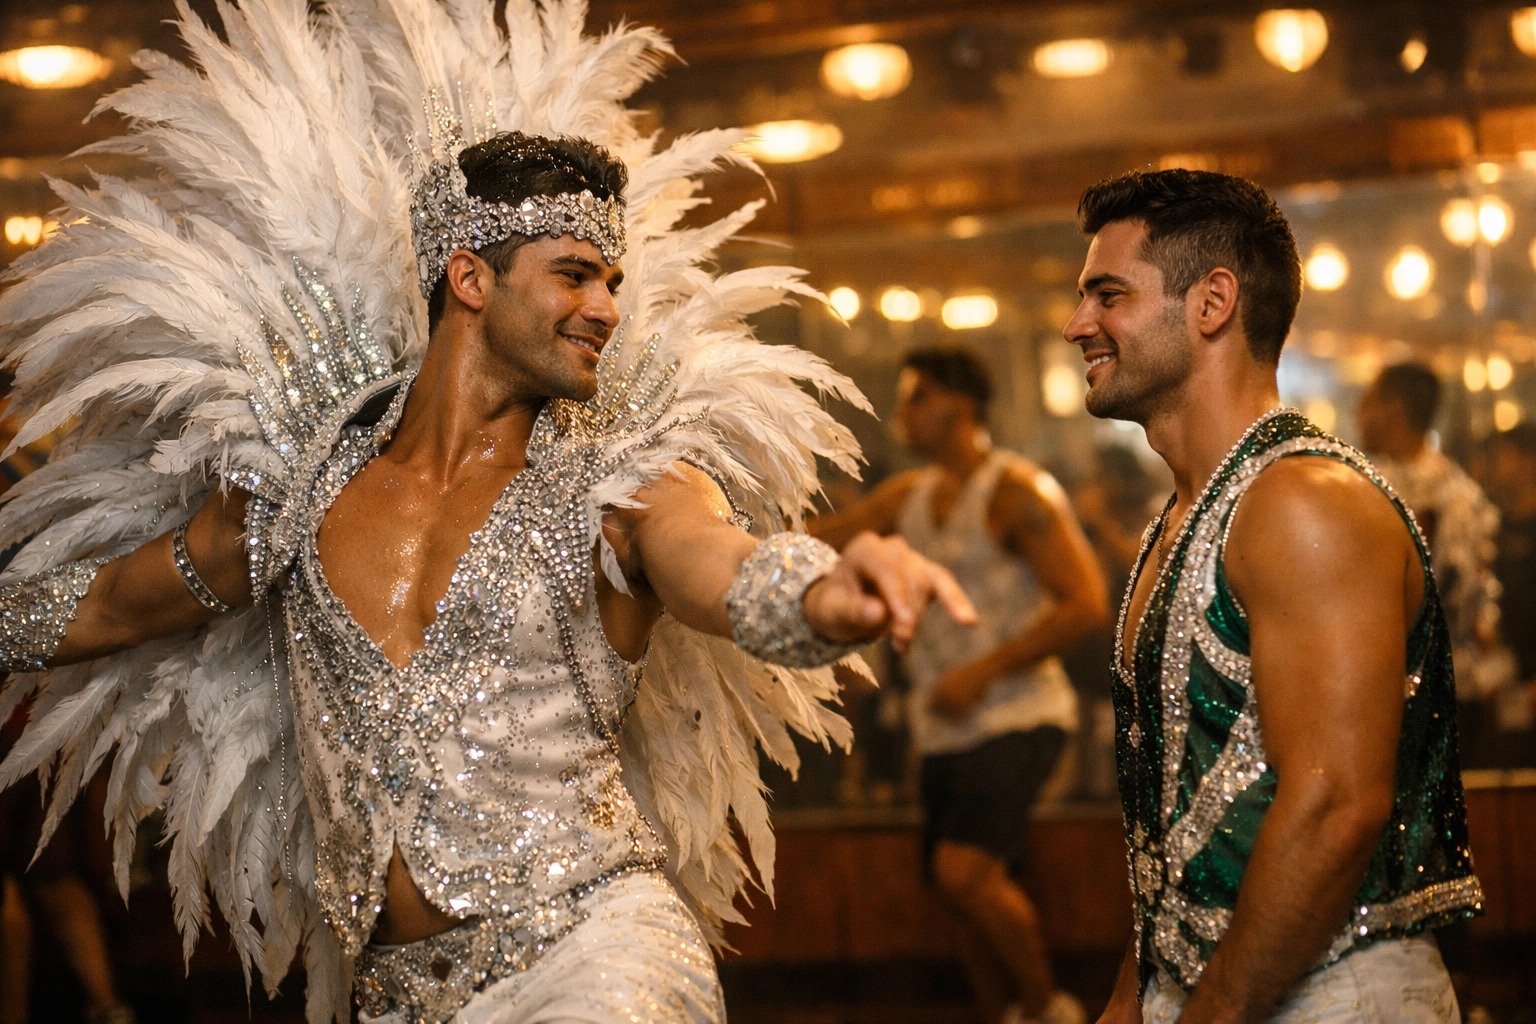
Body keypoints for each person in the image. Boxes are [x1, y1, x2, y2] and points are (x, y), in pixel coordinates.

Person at [0, 4, 975, 1023]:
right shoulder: (295, 489)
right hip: (392, 995)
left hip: (599, 957)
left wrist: (820, 589)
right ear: (468, 278)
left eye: (611, 281)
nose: (606, 306)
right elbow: (114, 603)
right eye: (573, 274)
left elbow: (717, 565)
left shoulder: (621, 488)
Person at [1064, 168, 1481, 1024]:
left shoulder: (1303, 502)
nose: (1078, 326)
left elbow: (1335, 806)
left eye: (1108, 295)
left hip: (1335, 993)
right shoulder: (1177, 520)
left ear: (1213, 301)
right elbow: (1171, 840)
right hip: (1214, 990)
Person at [812, 346, 1108, 1024]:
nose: (904, 412)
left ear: (960, 405)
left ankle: (1051, 1010)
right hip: (940, 725)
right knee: (950, 892)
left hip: (1020, 714)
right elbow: (822, 540)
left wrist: (984, 670)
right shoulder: (905, 498)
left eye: (917, 396)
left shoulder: (1017, 492)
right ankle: (1002, 1012)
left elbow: (1086, 602)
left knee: (963, 872)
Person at [1357, 363, 1503, 681]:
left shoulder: (1454, 497)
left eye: (1367, 402)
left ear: (1393, 411)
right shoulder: (1362, 482)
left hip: (1428, 677)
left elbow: (1461, 597)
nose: (1358, 415)